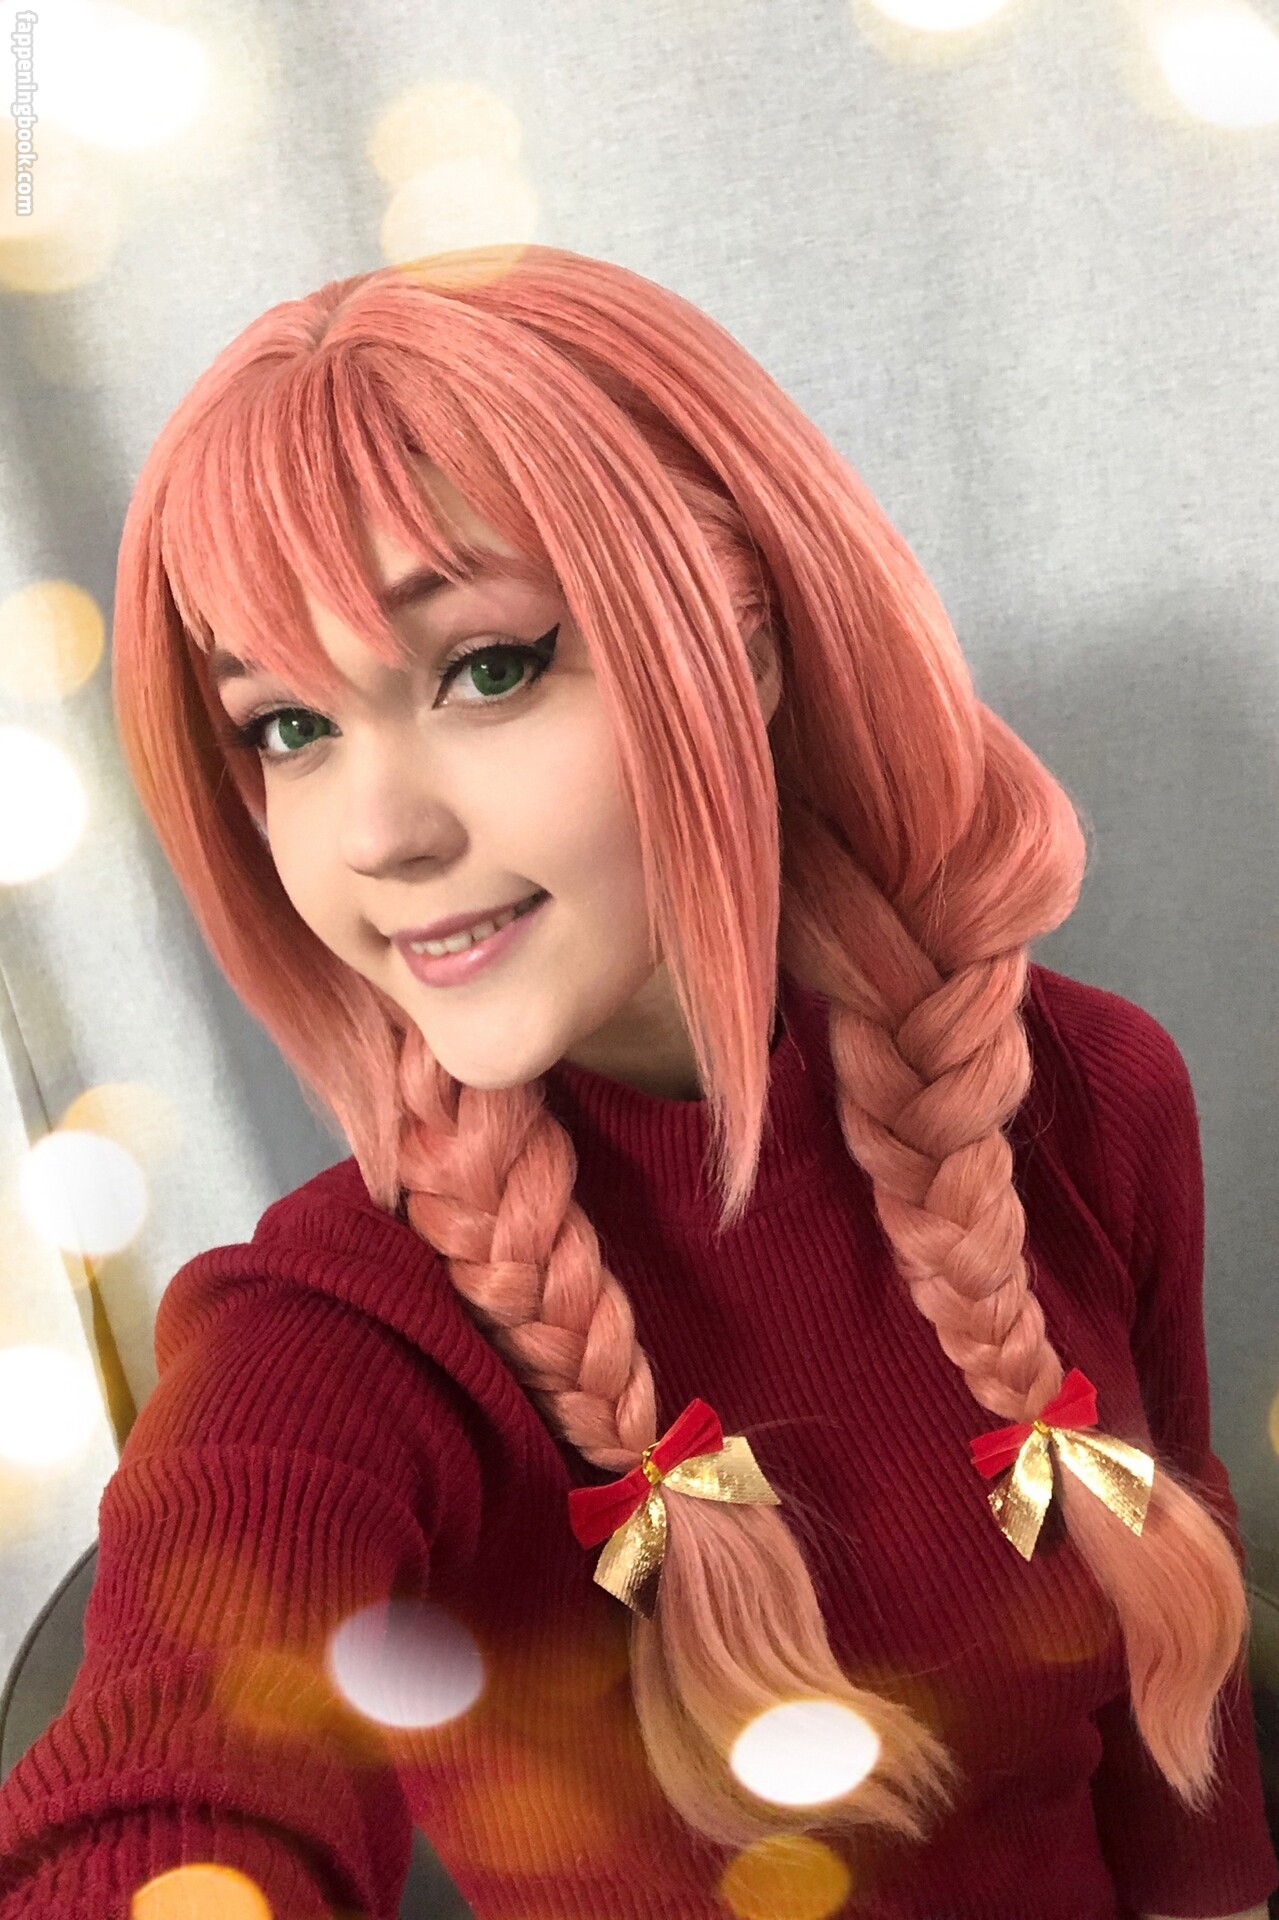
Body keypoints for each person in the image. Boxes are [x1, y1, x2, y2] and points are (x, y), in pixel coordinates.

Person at [0, 242, 1273, 1920]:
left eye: (487, 667)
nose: (377, 834)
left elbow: (1178, 1662)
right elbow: (178, 1763)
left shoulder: (1090, 1101)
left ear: (745, 652)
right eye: (287, 728)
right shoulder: (343, 1331)